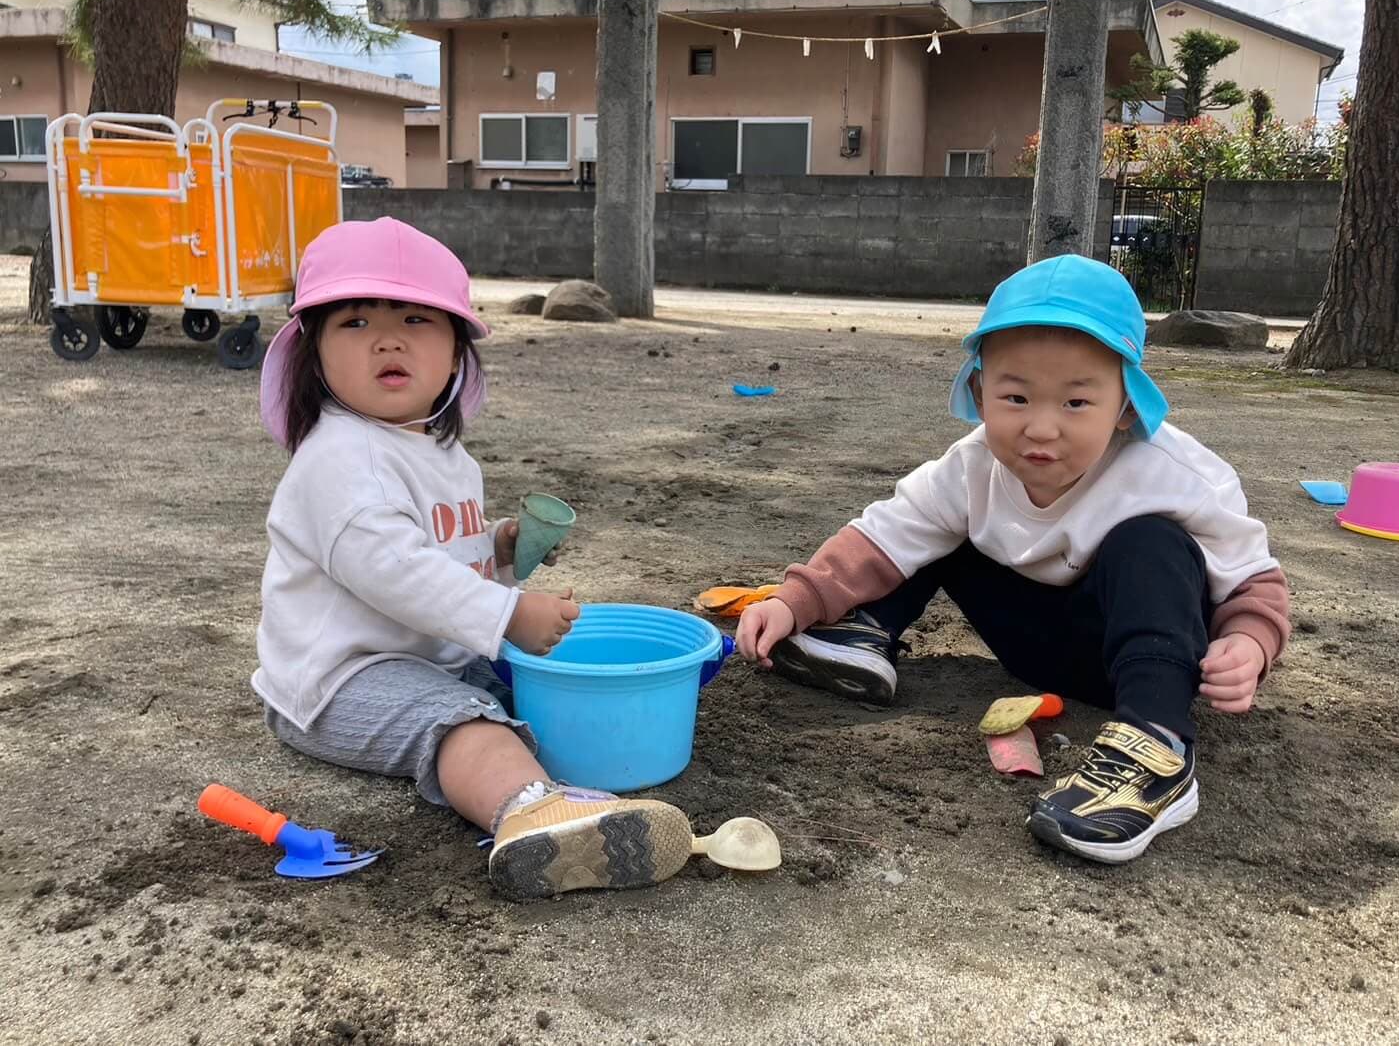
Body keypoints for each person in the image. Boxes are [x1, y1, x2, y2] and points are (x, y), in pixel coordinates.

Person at [736, 255, 1290, 864]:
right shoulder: (972, 465)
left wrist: (1250, 641)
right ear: (979, 393)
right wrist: (796, 598)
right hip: (1031, 645)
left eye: (1077, 403)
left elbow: (1252, 580)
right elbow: (884, 534)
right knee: (937, 525)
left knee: (1150, 543)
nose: (1042, 428)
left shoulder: (1175, 475)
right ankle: (863, 633)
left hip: (1145, 658)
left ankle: (1155, 748)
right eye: (1017, 397)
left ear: (1127, 406)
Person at [252, 218, 691, 899]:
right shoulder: (338, 460)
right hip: (340, 683)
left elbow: (439, 552)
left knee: (527, 684)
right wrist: (507, 610)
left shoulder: (444, 455)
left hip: (424, 656)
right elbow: (395, 572)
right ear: (313, 355)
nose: (389, 338)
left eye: (416, 320)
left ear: (456, 354)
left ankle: (556, 777)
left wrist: (497, 551)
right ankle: (531, 813)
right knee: (463, 722)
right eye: (356, 322)